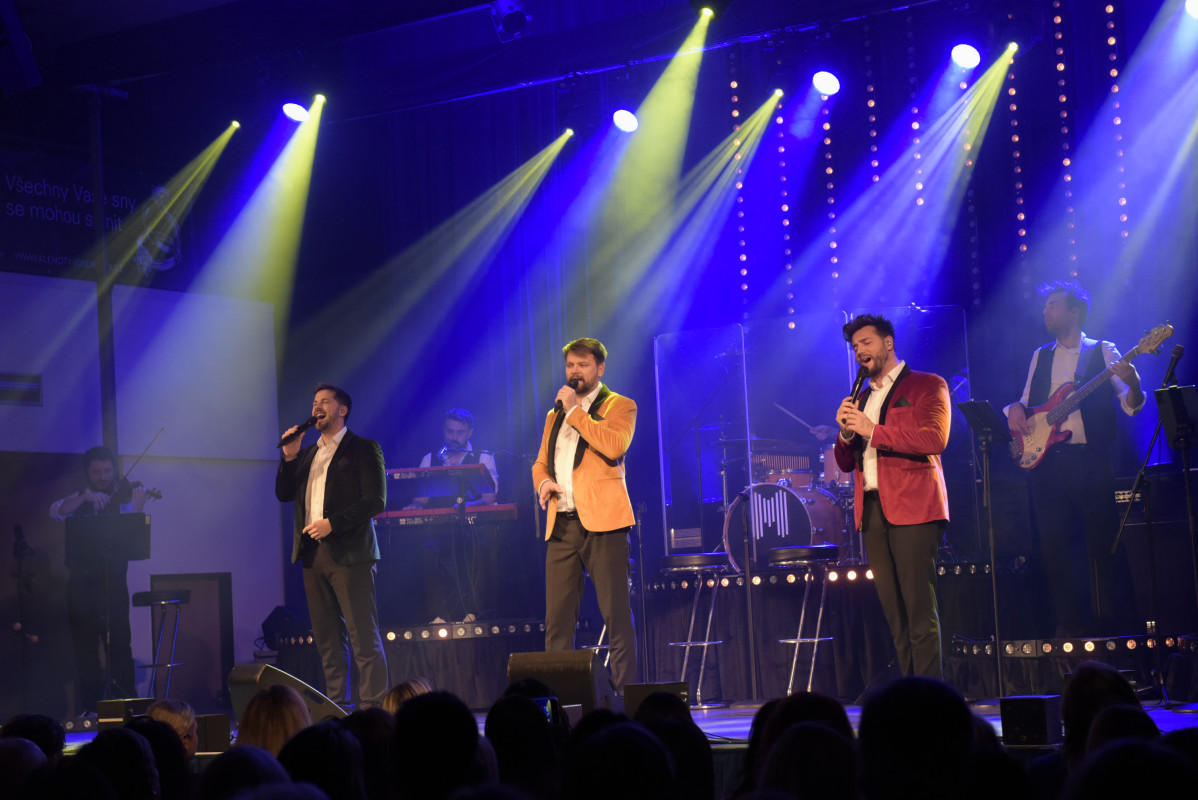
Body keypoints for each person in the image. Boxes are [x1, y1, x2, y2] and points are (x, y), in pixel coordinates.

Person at [1005, 281, 1142, 637]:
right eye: (1045, 306)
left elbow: (1131, 406)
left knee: (1106, 545)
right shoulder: (1040, 355)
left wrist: (1133, 382)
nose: (1045, 311)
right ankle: (1071, 629)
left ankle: (1125, 631)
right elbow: (1027, 402)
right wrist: (1015, 408)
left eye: (1053, 305)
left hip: (1089, 461)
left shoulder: (1103, 351)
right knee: (1056, 551)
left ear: (1075, 312)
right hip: (1048, 465)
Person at [834, 314, 950, 679]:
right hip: (872, 512)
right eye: (855, 346)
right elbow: (845, 462)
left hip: (914, 508)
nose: (859, 351)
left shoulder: (927, 384)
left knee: (919, 612)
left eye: (866, 342)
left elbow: (935, 439)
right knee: (894, 616)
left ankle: (929, 696)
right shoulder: (861, 397)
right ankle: (908, 694)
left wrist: (873, 430)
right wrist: (845, 434)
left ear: (888, 343)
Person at [532, 337, 638, 692]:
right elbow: (540, 463)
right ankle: (562, 701)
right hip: (561, 525)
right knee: (557, 623)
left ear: (600, 369)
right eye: (570, 365)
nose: (575, 371)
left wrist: (576, 412)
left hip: (605, 525)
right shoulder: (554, 415)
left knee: (616, 617)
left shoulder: (620, 405)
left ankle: (624, 698)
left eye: (583, 365)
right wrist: (544, 482)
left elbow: (614, 445)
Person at [276, 383, 389, 709]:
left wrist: (333, 523)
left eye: (324, 402)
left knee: (362, 636)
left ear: (342, 409)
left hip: (351, 553)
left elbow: (376, 500)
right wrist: (289, 455)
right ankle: (335, 708)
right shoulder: (307, 455)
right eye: (314, 402)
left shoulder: (363, 448)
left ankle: (372, 710)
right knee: (327, 640)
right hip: (313, 555)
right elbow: (284, 493)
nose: (316, 407)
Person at [48, 446, 150, 711]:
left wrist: (138, 508)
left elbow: (136, 540)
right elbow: (56, 511)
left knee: (120, 643)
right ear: (88, 472)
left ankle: (126, 703)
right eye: (96, 472)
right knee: (85, 648)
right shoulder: (80, 498)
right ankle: (91, 706)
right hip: (81, 585)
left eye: (107, 471)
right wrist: (85, 498)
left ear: (114, 470)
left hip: (114, 584)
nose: (103, 477)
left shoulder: (124, 499)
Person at [403, 408, 498, 622]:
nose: (454, 437)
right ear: (443, 430)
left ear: (470, 433)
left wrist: (464, 507)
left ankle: (473, 612)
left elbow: (490, 498)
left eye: (460, 432)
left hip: (473, 527)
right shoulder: (430, 459)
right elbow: (420, 499)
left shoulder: (483, 457)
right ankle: (438, 616)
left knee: (478, 548)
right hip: (439, 529)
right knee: (427, 550)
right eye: (449, 431)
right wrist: (414, 506)